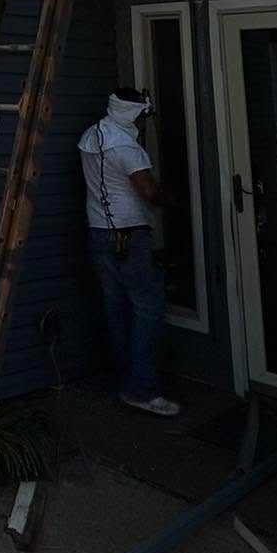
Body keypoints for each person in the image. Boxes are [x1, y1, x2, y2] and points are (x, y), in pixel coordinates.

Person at [77, 88, 180, 417]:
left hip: (99, 232)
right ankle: (141, 388)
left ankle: (126, 378)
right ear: (133, 115)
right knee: (146, 310)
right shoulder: (127, 149)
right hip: (130, 236)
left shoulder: (92, 136)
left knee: (116, 308)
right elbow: (148, 192)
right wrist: (177, 201)